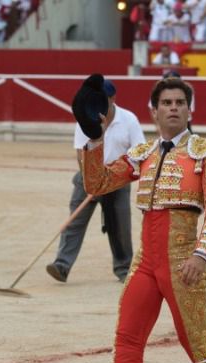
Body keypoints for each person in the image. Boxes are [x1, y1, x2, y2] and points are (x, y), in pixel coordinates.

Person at [75, 75, 206, 363]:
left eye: (180, 102)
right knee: (127, 337)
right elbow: (97, 184)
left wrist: (202, 253)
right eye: (166, 103)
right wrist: (94, 137)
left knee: (195, 341)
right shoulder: (143, 152)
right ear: (153, 110)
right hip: (146, 262)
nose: (173, 108)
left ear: (190, 109)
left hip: (184, 260)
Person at [46, 80, 145, 284]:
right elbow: (80, 153)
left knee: (120, 227)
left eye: (104, 100)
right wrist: (92, 180)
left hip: (117, 181)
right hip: (87, 178)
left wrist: (111, 177)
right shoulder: (85, 118)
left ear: (112, 99)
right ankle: (62, 265)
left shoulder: (128, 119)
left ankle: (124, 269)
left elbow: (139, 152)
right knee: (74, 222)